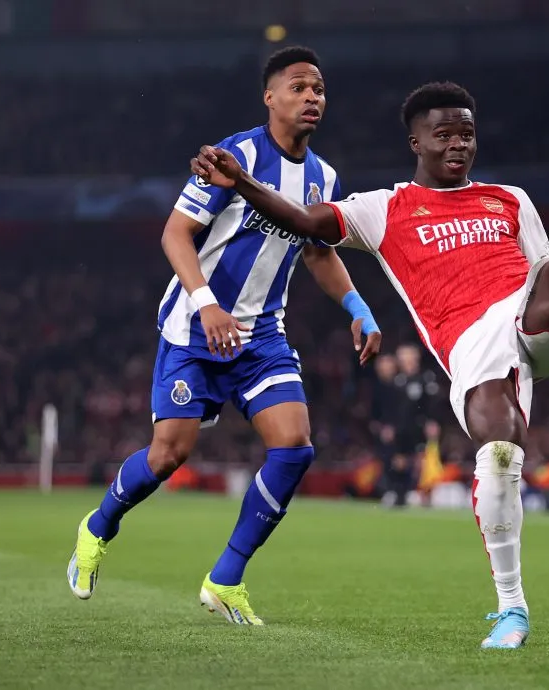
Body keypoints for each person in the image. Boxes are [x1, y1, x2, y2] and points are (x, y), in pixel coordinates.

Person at [191, 81, 549, 648]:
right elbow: (307, 222)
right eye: (443, 135)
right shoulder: (383, 209)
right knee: (499, 454)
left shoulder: (510, 199)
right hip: (470, 346)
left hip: (527, 316)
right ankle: (512, 609)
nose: (458, 144)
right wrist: (243, 183)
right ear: (415, 141)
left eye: (466, 133)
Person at [67, 47, 383, 626]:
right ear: (270, 97)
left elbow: (317, 252)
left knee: (295, 447)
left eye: (319, 88)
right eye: (298, 87)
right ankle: (98, 526)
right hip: (194, 328)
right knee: (168, 457)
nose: (312, 97)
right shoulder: (234, 155)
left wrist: (358, 306)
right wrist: (207, 304)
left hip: (261, 334)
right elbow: (175, 234)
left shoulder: (324, 178)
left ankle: (226, 577)